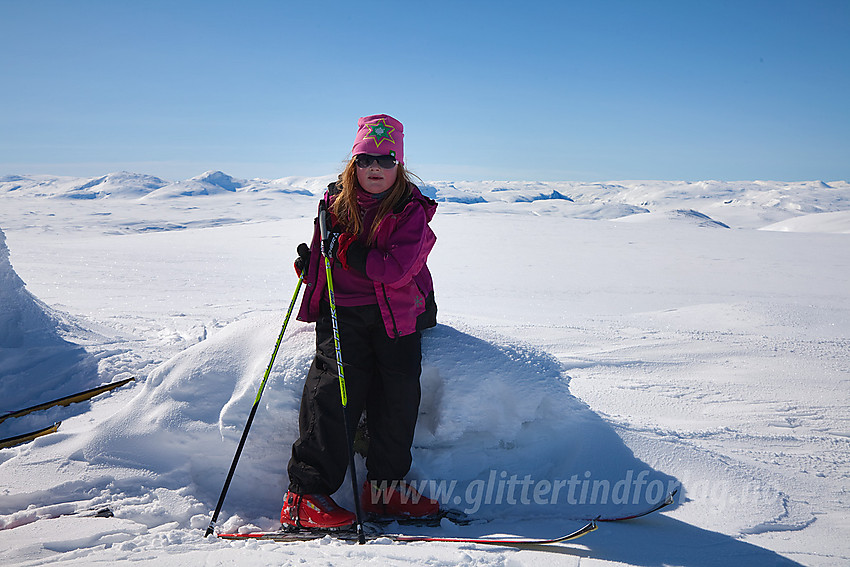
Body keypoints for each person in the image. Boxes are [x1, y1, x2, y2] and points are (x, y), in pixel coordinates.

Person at [282, 114, 439, 530]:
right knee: (333, 393)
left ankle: (385, 491)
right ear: (353, 162)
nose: (376, 167)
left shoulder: (411, 211)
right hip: (343, 311)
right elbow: (324, 256)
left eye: (387, 160)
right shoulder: (334, 205)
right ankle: (305, 497)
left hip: (397, 316)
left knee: (397, 399)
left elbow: (395, 268)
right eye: (366, 158)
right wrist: (310, 267)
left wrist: (347, 252)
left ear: (399, 165)